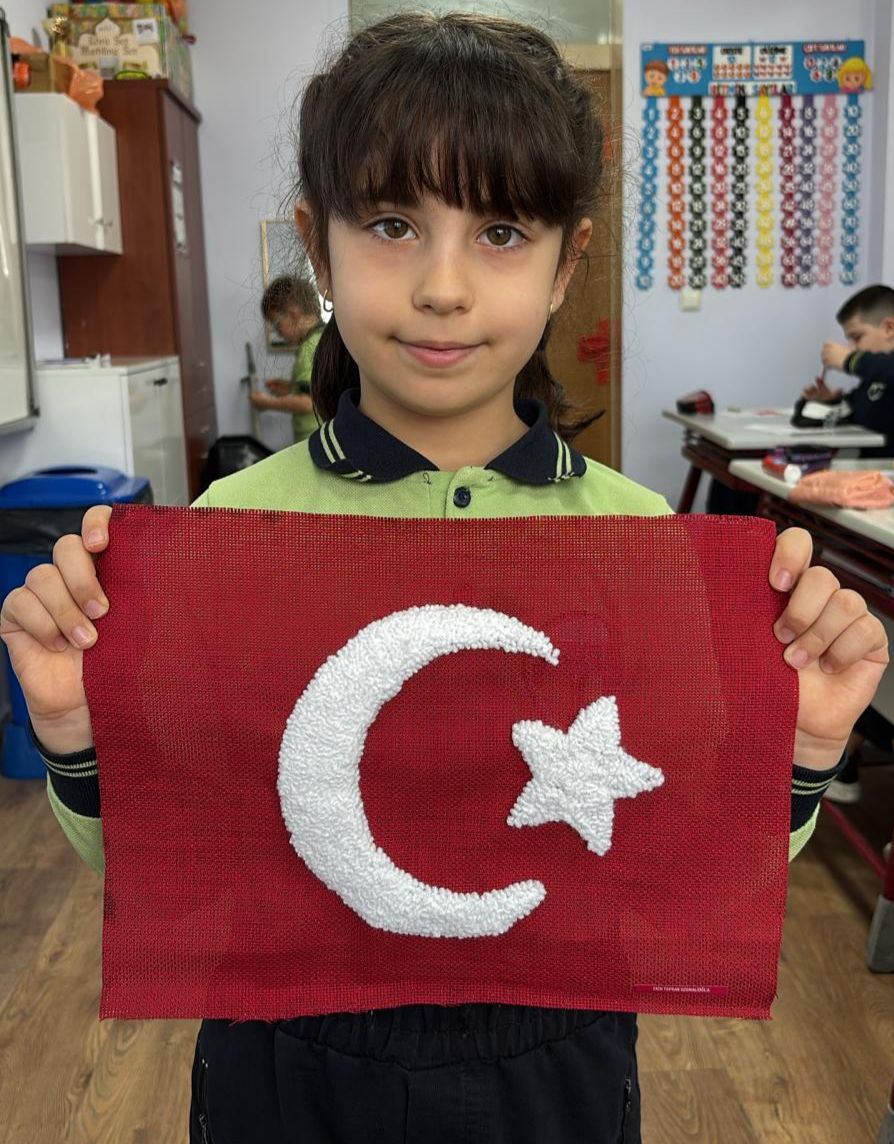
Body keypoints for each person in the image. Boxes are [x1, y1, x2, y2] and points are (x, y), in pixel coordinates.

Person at [0, 14, 888, 1144]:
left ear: (568, 263)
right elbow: (169, 863)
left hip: (555, 1063)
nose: (444, 286)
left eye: (502, 231)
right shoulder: (231, 536)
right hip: (288, 1062)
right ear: (319, 249)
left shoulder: (641, 542)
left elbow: (685, 856)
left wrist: (801, 750)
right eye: (391, 224)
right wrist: (77, 735)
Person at [251, 275, 325, 442]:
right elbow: (318, 391)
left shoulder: (309, 348)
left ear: (293, 313)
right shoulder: (321, 338)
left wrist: (266, 403)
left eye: (276, 325)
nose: (278, 333)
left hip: (313, 440)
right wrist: (291, 388)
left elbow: (307, 402)